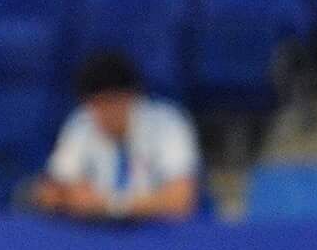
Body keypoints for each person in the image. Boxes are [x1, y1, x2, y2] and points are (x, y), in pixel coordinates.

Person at [25, 51, 201, 223]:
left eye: (109, 104)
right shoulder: (82, 122)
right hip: (98, 240)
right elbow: (51, 189)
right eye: (95, 105)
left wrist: (110, 205)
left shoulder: (168, 123)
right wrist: (66, 197)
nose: (102, 115)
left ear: (130, 97)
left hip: (161, 239)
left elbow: (180, 200)